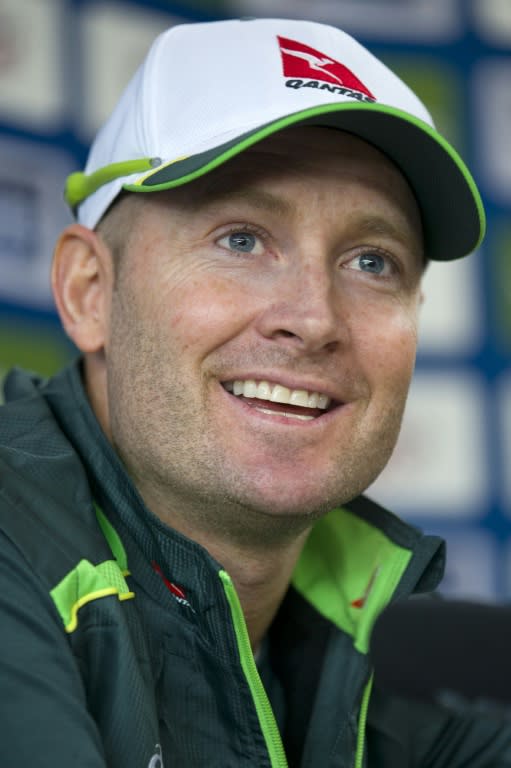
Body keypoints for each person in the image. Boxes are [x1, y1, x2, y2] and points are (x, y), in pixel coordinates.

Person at [0, 17, 509, 768]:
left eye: (371, 261)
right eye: (240, 239)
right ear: (89, 292)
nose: (312, 319)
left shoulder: (427, 669)